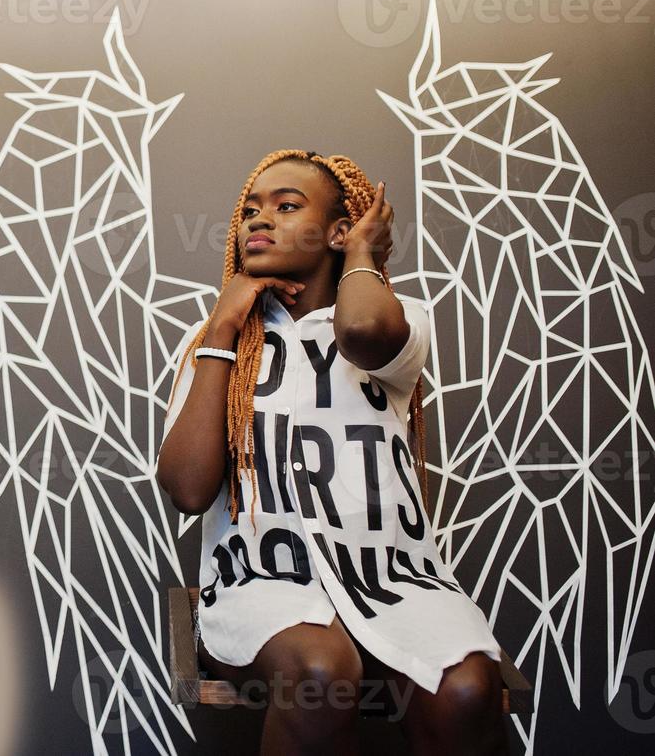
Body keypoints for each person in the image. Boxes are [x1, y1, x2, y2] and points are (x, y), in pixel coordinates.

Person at [154, 149, 509, 755]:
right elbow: (187, 490)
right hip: (263, 583)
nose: (257, 221)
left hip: (393, 583)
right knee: (320, 674)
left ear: (340, 230)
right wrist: (220, 333)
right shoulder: (218, 342)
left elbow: (363, 333)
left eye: (286, 206)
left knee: (468, 689)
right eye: (250, 211)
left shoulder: (398, 320)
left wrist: (364, 254)